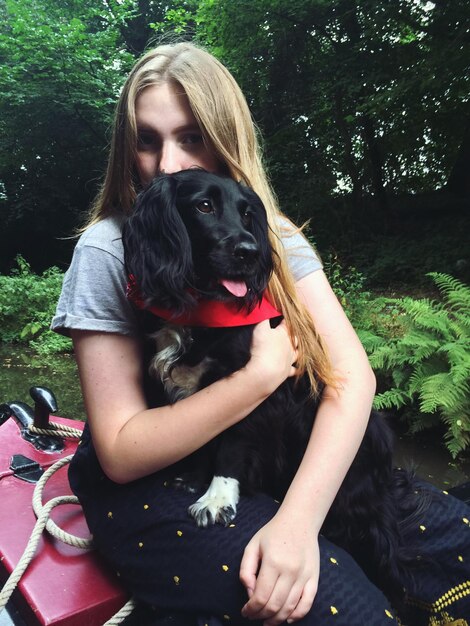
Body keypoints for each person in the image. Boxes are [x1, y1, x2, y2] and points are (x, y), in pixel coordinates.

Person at [52, 41, 470, 626]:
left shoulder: (272, 236)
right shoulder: (106, 246)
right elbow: (121, 453)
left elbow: (353, 380)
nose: (168, 164)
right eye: (147, 141)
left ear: (226, 139)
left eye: (191, 137)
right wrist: (261, 374)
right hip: (151, 483)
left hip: (266, 460)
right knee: (346, 613)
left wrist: (297, 524)